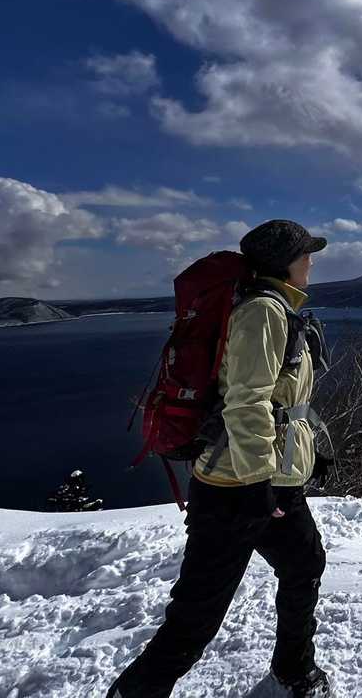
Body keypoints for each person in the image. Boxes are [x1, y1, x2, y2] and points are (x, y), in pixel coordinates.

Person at [108, 219, 335, 698]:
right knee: (198, 613)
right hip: (238, 487)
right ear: (284, 263)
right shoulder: (263, 312)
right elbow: (247, 401)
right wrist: (258, 485)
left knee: (304, 564)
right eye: (305, 254)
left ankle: (295, 670)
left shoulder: (275, 308)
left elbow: (284, 402)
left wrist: (305, 454)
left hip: (268, 480)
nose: (311, 261)